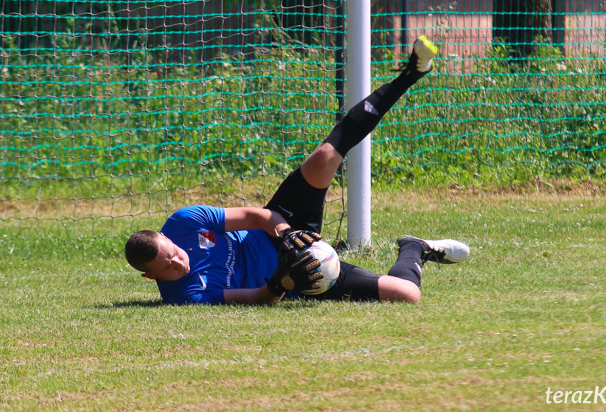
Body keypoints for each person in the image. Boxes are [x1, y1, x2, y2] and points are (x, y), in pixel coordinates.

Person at [124, 35, 469, 305]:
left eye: (173, 255)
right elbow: (259, 299)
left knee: (326, 154)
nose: (178, 263)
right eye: (168, 268)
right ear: (150, 278)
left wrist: (287, 234)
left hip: (277, 228)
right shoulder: (184, 295)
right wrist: (282, 280)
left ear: (168, 239)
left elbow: (256, 216)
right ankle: (414, 247)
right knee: (407, 294)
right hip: (299, 276)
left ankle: (410, 74)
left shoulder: (184, 222)